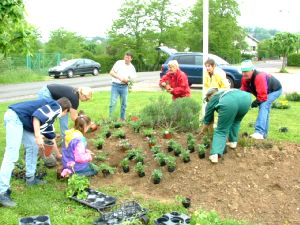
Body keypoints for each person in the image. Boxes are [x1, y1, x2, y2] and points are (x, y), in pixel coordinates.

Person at [0, 97, 72, 207]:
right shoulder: (55, 107)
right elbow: (37, 116)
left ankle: (30, 178)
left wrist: (58, 156)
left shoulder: (51, 117)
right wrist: (38, 136)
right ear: (65, 110)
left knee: (33, 146)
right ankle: (2, 192)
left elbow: (51, 137)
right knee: (12, 155)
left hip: (21, 120)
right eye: (66, 113)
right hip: (15, 117)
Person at [200, 88, 251, 163]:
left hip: (230, 102)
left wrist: (202, 130)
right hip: (246, 98)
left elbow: (207, 119)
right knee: (236, 121)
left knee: (221, 130)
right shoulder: (224, 92)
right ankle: (233, 142)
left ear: (210, 96)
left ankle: (215, 154)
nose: (208, 101)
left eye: (208, 99)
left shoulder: (213, 99)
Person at [240, 60, 282, 139]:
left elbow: (262, 96)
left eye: (246, 71)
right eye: (242, 71)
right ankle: (263, 135)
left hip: (275, 90)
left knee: (264, 105)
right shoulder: (245, 78)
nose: (244, 74)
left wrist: (254, 103)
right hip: (265, 92)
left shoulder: (259, 77)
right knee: (265, 109)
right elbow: (243, 90)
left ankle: (259, 132)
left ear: (252, 70)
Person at [109, 52, 136, 120]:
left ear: (131, 59)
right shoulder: (119, 63)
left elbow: (132, 79)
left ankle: (122, 119)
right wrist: (120, 78)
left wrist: (127, 81)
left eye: (128, 58)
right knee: (112, 103)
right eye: (125, 57)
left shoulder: (132, 67)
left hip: (124, 87)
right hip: (115, 85)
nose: (126, 59)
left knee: (124, 104)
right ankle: (111, 119)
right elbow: (111, 72)